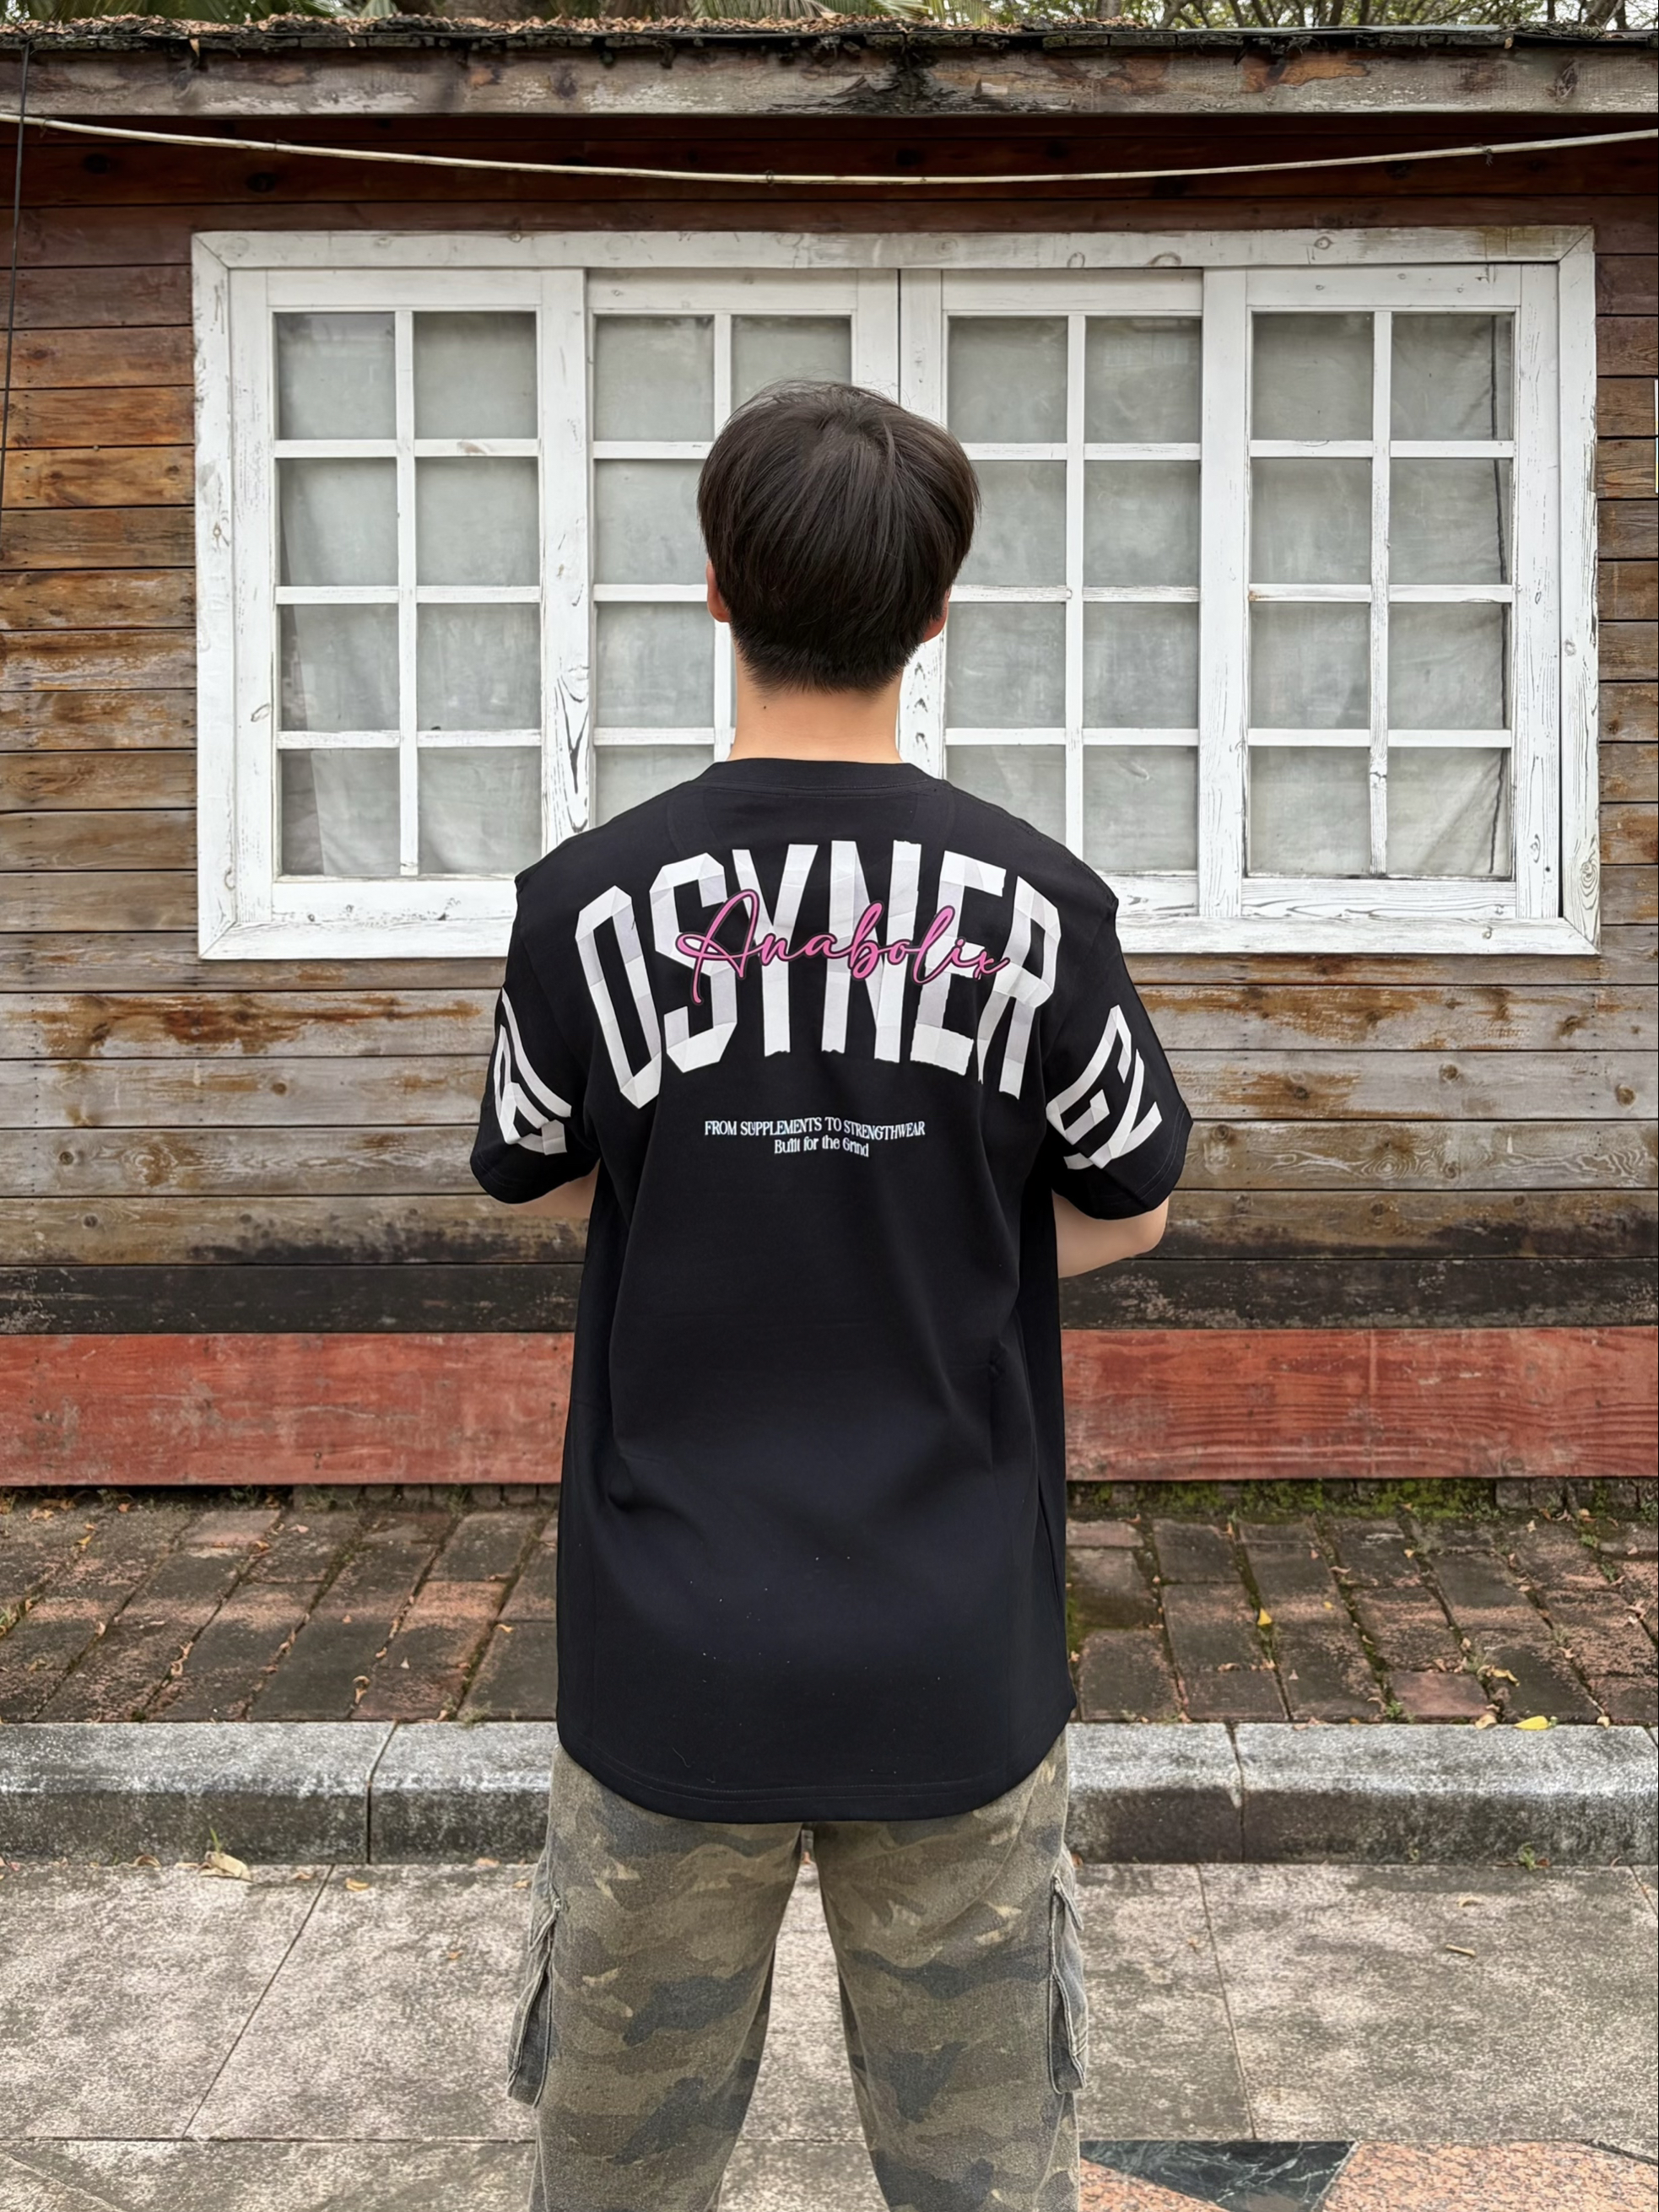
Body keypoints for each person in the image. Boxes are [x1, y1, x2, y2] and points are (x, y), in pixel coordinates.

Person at [470, 381, 1191, 2212]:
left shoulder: (582, 906)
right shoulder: (1040, 909)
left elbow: (537, 1169)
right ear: (935, 613)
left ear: (714, 587)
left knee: (617, 2183)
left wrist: (711, 1197)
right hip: (950, 1652)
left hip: (667, 1654)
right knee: (980, 2178)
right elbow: (1132, 1206)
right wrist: (940, 1230)